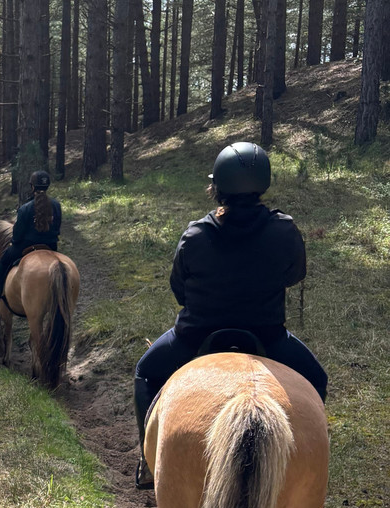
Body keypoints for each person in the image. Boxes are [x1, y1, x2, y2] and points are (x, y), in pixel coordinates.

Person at [133, 141, 328, 490]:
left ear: (217, 187)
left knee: (146, 374)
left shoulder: (195, 234)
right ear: (263, 185)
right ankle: (302, 464)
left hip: (195, 335)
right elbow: (294, 274)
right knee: (318, 380)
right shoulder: (284, 229)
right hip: (268, 337)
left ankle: (148, 464)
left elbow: (178, 286)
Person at [0, 170, 62, 303]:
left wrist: (13, 242)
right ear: (47, 186)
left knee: (3, 262)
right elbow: (57, 228)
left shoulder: (25, 208)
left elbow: (17, 234)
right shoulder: (56, 205)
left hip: (25, 246)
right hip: (51, 246)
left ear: (32, 187)